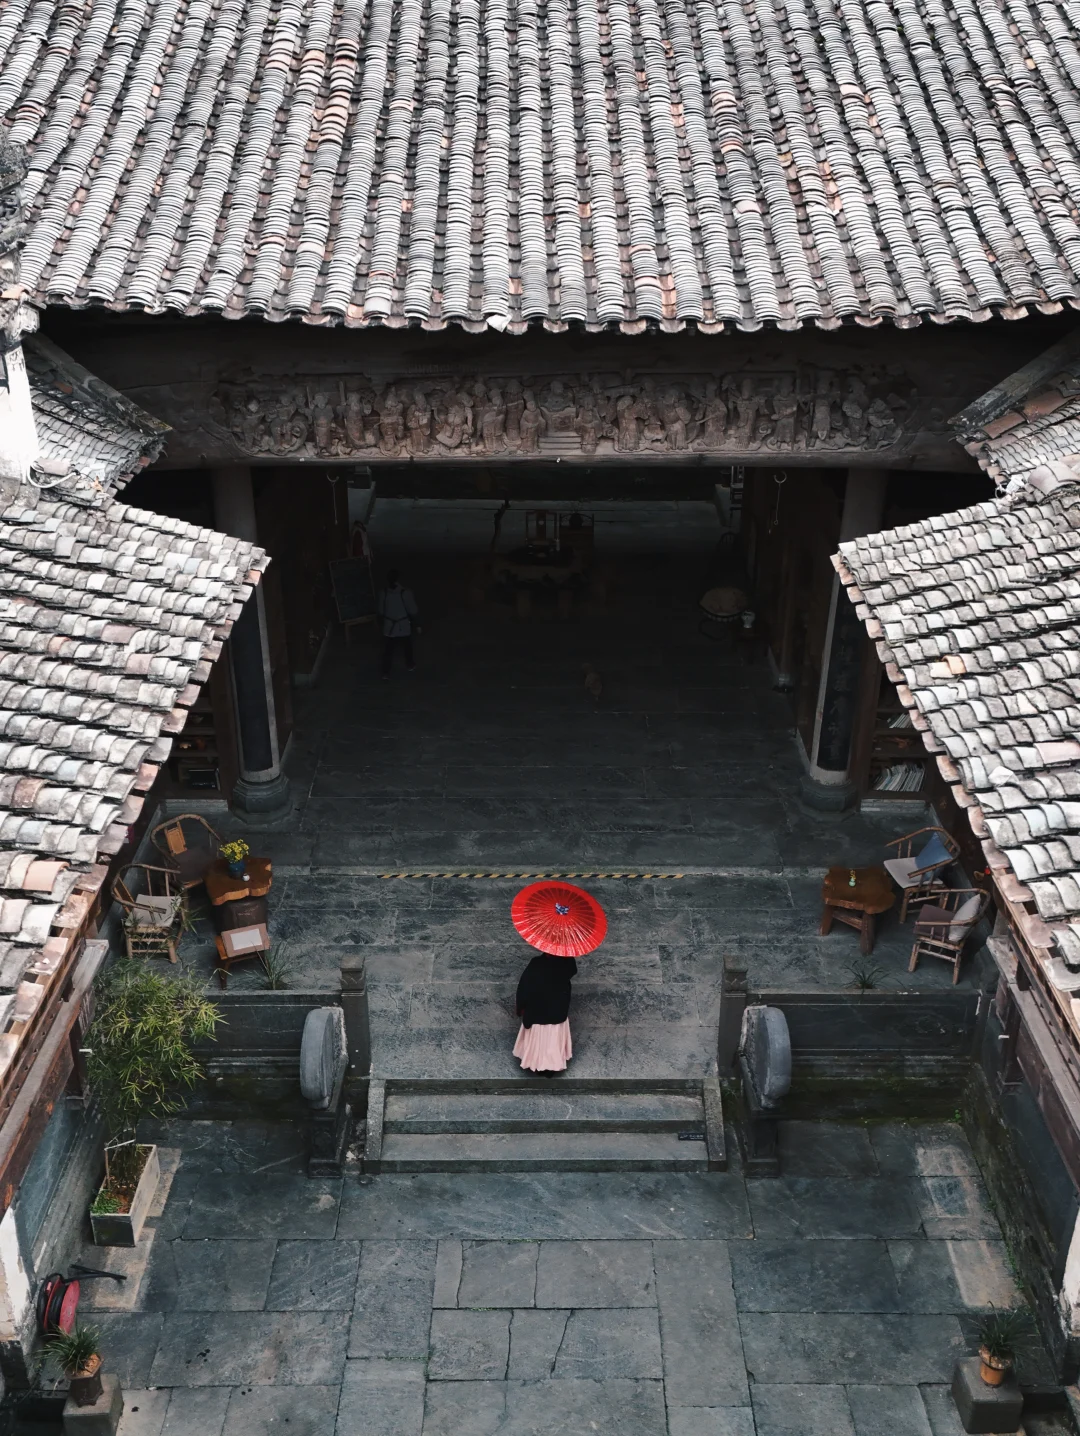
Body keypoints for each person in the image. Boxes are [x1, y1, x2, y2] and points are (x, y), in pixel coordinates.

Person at [513, 952, 577, 1077]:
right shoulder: (568, 962)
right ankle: (552, 1065)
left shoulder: (536, 963)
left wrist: (520, 1007)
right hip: (558, 1010)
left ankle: (537, 1063)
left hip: (538, 1010)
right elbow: (573, 970)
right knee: (553, 1038)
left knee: (539, 1039)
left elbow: (524, 987)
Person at [377, 570, 419, 678]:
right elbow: (413, 610)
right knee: (407, 645)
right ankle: (410, 664)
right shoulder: (406, 593)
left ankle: (386, 672)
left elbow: (381, 611)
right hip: (403, 626)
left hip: (389, 627)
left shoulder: (383, 593)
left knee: (388, 649)